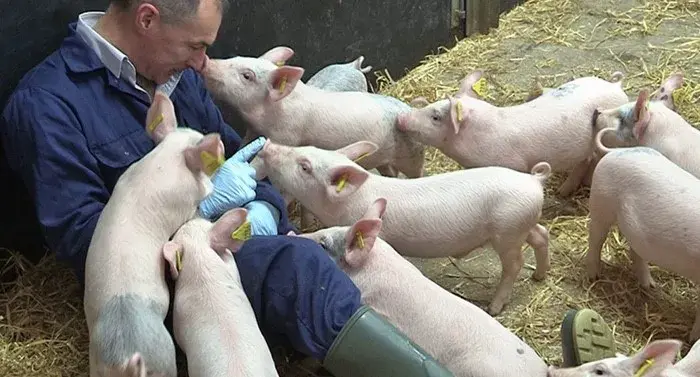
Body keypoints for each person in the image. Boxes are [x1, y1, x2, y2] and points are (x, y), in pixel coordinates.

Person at [0, 0, 618, 375]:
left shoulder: (170, 73)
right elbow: (83, 241)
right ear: (147, 18)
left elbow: (252, 158)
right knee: (309, 268)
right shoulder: (49, 104)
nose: (200, 63)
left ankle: (513, 366)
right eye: (196, 45)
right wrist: (213, 219)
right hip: (161, 267)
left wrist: (262, 211)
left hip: (230, 237)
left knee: (364, 258)